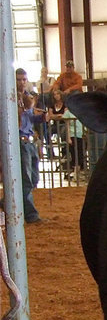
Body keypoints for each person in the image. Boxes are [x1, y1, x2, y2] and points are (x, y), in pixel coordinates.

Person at [15, 68, 44, 224]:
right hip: (19, 140)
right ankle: (31, 216)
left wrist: (43, 117)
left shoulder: (27, 97)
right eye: (19, 79)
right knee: (26, 179)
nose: (22, 82)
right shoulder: (10, 98)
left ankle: (5, 202)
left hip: (30, 140)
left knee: (34, 178)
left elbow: (31, 118)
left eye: (24, 79)